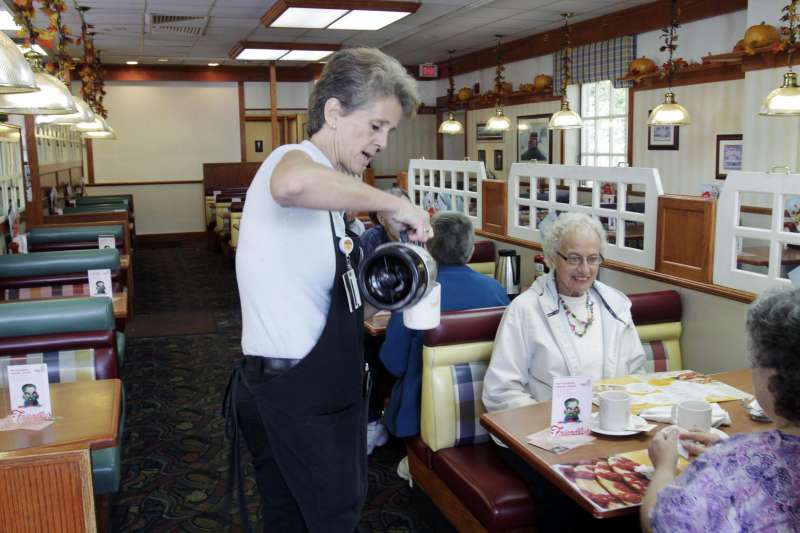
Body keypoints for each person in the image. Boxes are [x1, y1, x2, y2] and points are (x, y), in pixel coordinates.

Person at [225, 48, 432, 533]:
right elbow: (293, 184)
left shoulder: (333, 194)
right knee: (330, 519)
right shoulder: (291, 160)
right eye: (376, 125)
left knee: (294, 520)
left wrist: (379, 221)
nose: (382, 142)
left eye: (390, 132)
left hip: (322, 390)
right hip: (294, 394)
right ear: (335, 112)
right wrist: (389, 202)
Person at [482, 211, 645, 532]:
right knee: (570, 500)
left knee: (636, 492)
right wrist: (558, 427)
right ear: (552, 257)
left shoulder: (616, 307)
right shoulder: (525, 310)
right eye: (574, 258)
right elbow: (501, 390)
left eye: (593, 259)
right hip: (540, 439)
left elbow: (635, 374)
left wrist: (612, 419)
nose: (585, 270)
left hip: (607, 435)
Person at [642, 288, 800, 533]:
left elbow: (659, 523)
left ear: (773, 377)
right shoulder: (735, 457)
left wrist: (664, 468)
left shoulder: (736, 460)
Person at [380, 211, 509, 440]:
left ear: (427, 248)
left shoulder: (416, 294)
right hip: (487, 404)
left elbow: (394, 363)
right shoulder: (495, 290)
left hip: (422, 410)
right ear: (470, 252)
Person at [360, 185, 410, 258]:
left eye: (408, 211)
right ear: (381, 219)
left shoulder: (417, 236)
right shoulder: (371, 238)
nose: (404, 219)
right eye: (397, 213)